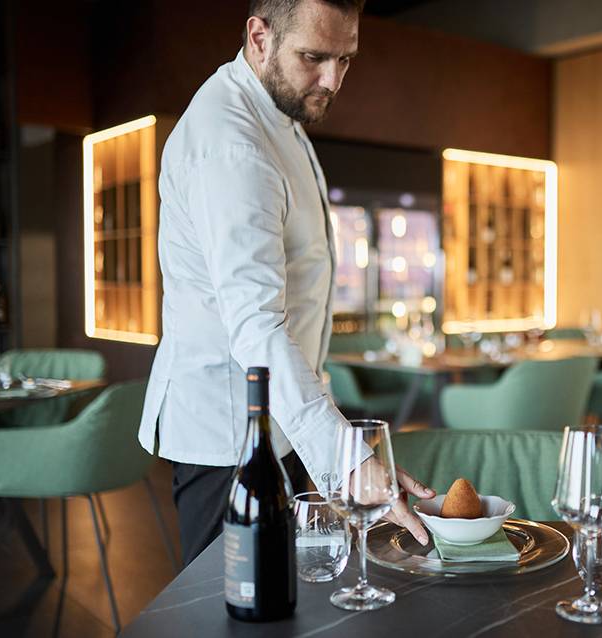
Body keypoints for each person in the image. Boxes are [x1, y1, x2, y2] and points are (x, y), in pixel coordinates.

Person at [138, 0, 434, 566]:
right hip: (230, 434)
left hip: (282, 422)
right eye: (314, 57)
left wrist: (340, 445)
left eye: (346, 59)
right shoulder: (232, 144)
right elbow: (258, 326)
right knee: (229, 602)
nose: (333, 80)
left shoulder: (279, 115)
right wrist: (348, 460)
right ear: (259, 37)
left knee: (291, 592)